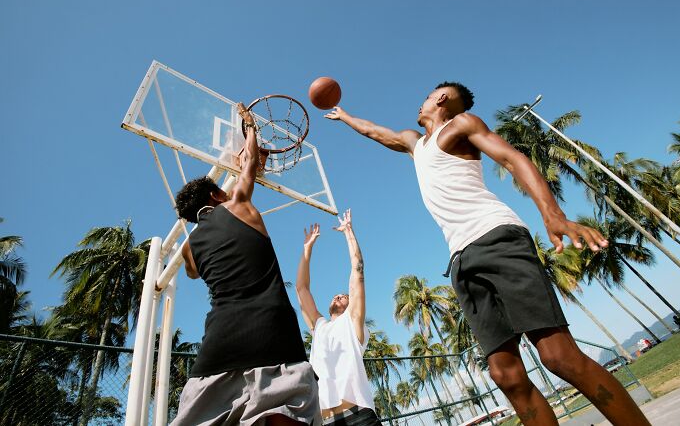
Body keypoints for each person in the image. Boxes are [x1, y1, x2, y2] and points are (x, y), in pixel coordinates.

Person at [324, 83, 650, 425]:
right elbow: (378, 133)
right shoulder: (414, 143)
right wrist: (345, 116)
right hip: (461, 260)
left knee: (558, 356)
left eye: (425, 97)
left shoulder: (461, 125)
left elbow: (512, 158)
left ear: (441, 98)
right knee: (505, 375)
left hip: (497, 237)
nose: (418, 104)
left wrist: (552, 214)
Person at [170, 103, 320, 426]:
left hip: (218, 350)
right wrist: (249, 125)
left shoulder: (188, 249)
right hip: (275, 339)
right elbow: (251, 160)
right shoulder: (237, 203)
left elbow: (193, 273)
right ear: (215, 195)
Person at [295, 210, 381, 425]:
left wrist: (348, 232)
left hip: (358, 415)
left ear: (352, 304)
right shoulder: (320, 326)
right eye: (337, 295)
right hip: (324, 420)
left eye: (344, 296)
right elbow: (302, 289)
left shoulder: (353, 324)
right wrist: (307, 249)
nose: (338, 296)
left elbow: (358, 271)